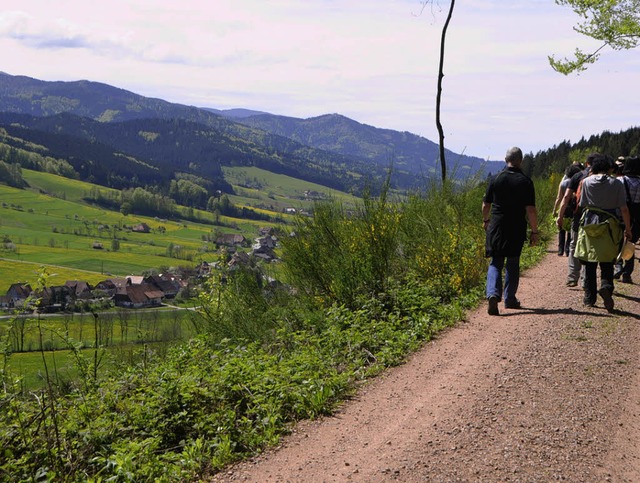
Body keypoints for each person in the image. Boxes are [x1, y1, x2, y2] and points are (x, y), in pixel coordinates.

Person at [483, 147, 539, 316]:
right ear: (520, 161)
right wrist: (534, 231)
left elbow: (486, 205)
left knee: (495, 262)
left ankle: (493, 294)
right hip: (516, 227)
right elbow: (531, 210)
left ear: (505, 159)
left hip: (497, 226)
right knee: (513, 263)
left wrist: (486, 221)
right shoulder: (526, 181)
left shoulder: (496, 178)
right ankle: (510, 299)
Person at [573, 154, 632, 311]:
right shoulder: (616, 184)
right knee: (607, 259)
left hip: (589, 222)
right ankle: (606, 286)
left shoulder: (585, 182)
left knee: (589, 260)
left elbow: (582, 203)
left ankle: (589, 297)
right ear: (609, 167)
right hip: (610, 224)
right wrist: (628, 229)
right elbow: (624, 208)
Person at [556, 154, 596, 287]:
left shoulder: (577, 176)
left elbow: (566, 197)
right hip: (595, 217)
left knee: (574, 245)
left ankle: (572, 277)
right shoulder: (600, 177)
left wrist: (560, 216)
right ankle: (586, 279)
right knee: (590, 247)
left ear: (586, 163)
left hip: (578, 216)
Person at [615, 156, 640, 283]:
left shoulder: (619, 180)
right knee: (631, 244)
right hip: (636, 219)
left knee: (617, 242)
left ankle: (617, 265)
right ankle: (627, 273)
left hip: (619, 216)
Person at [553, 163, 583, 256]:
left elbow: (559, 198)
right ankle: (567, 249)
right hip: (573, 208)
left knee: (561, 228)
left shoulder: (563, 183)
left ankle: (560, 249)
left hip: (564, 207)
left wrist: (555, 209)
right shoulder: (578, 182)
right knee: (571, 229)